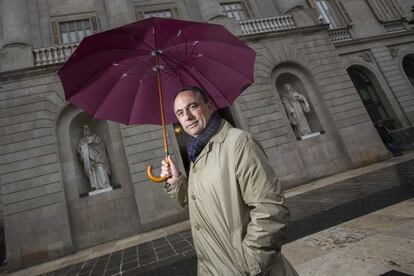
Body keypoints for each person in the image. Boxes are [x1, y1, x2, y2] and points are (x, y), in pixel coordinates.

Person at [161, 86, 298, 275]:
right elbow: (204, 208)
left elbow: (271, 209)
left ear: (209, 106)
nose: (187, 116)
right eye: (180, 112)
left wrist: (250, 262)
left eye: (192, 106)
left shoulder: (239, 143)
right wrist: (177, 183)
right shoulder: (197, 153)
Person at [77, 125, 112, 191]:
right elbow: (78, 150)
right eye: (86, 130)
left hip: (98, 157)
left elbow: (101, 146)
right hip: (89, 160)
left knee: (100, 168)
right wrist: (84, 147)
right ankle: (96, 186)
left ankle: (105, 184)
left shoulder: (95, 137)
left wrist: (92, 145)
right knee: (92, 172)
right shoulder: (82, 140)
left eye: (88, 129)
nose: (87, 131)